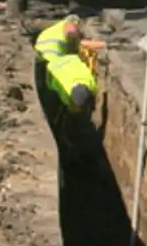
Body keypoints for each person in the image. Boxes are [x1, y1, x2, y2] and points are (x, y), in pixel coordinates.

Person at [32, 16, 102, 171]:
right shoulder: (70, 23)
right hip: (50, 62)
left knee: (60, 117)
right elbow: (71, 32)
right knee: (61, 119)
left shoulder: (54, 35)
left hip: (46, 62)